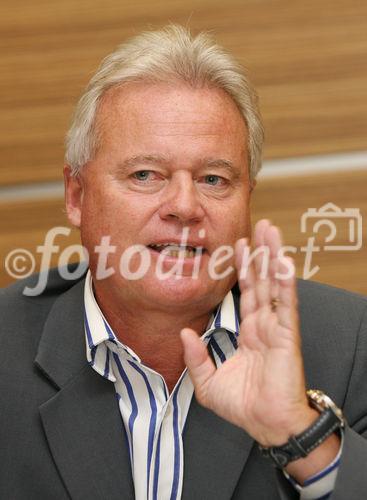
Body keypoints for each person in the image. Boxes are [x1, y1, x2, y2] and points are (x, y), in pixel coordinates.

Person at [1, 25, 367, 500]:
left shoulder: (352, 344)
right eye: (145, 175)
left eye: (214, 178)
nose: (184, 206)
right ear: (77, 196)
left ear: (248, 198)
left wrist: (299, 433)